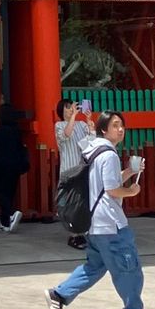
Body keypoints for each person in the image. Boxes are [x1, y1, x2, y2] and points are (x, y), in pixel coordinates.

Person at [44, 110, 154, 309]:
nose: (120, 129)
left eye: (121, 125)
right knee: (128, 266)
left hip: (94, 222)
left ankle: (60, 294)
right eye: (114, 125)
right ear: (104, 129)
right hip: (110, 222)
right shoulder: (109, 154)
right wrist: (132, 191)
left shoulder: (94, 152)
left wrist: (129, 172)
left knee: (94, 267)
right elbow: (113, 190)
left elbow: (104, 184)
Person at [55, 97, 94, 248]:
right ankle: (74, 235)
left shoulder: (82, 124)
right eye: (68, 107)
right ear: (62, 110)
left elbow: (91, 141)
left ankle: (83, 233)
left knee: (82, 202)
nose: (71, 109)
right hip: (69, 170)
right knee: (72, 203)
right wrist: (73, 118)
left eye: (72, 107)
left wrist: (90, 123)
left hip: (82, 168)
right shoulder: (59, 125)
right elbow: (66, 135)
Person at [0, 103, 29, 232]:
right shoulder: (16, 130)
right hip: (15, 166)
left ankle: (11, 213)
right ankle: (5, 223)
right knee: (9, 194)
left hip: (1, 165)